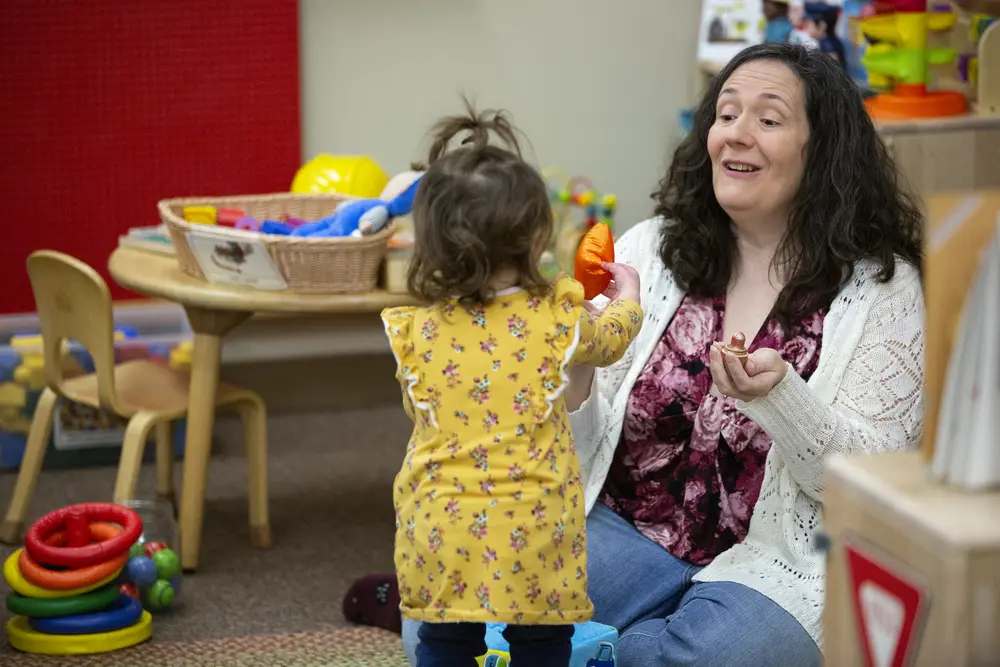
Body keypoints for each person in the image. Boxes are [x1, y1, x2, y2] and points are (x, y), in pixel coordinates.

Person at [348, 42, 925, 666]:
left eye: (768, 118)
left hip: (775, 566)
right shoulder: (650, 250)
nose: (736, 135)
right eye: (726, 114)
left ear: (824, 151)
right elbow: (569, 445)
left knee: (712, 656)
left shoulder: (881, 289)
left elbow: (873, 489)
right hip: (626, 527)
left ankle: (605, 651)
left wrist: (782, 399)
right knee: (458, 610)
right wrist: (572, 380)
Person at [379, 103, 644, 667]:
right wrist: (629, 298)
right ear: (534, 239)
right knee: (541, 641)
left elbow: (419, 408)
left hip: (440, 525)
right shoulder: (559, 319)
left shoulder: (417, 331)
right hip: (534, 527)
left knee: (444, 641)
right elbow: (614, 338)